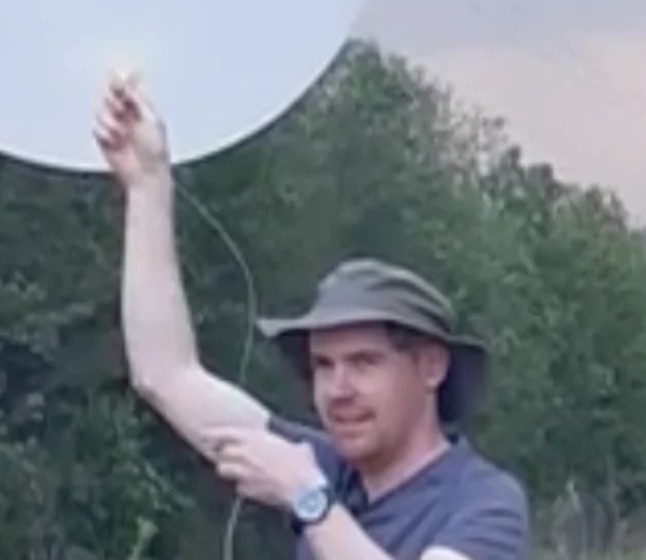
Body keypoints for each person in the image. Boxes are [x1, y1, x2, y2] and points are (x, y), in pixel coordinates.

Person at [93, 76, 530, 560]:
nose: (338, 389)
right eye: (323, 365)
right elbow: (166, 376)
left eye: (364, 362)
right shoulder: (323, 468)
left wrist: (308, 498)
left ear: (430, 366)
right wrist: (148, 186)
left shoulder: (483, 504)